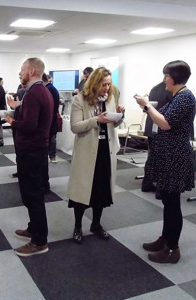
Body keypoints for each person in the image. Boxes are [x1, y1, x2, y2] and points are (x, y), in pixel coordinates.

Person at [134, 60, 196, 264]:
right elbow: (162, 115)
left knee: (172, 204)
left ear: (175, 77)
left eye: (166, 75)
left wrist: (145, 105)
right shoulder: (178, 96)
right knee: (168, 203)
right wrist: (146, 107)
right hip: (169, 156)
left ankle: (172, 248)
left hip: (175, 157)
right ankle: (165, 239)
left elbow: (165, 123)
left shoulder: (185, 97)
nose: (164, 79)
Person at [67, 67, 124, 245]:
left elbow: (113, 125)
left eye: (109, 84)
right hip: (86, 151)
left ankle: (96, 224)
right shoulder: (80, 99)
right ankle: (77, 227)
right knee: (82, 192)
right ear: (94, 83)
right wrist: (96, 120)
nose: (106, 88)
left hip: (105, 150)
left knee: (101, 190)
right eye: (103, 84)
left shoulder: (110, 98)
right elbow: (75, 127)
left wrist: (120, 116)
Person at [4, 58, 53, 257]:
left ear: (31, 71)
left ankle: (39, 240)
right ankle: (34, 228)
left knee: (32, 195)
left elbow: (29, 125)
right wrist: (19, 107)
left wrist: (12, 121)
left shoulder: (33, 93)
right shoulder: (42, 91)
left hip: (31, 151)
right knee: (33, 193)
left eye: (22, 69)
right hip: (37, 150)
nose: (19, 73)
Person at [141, 79, 173, 194]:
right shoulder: (170, 90)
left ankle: (147, 183)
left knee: (151, 157)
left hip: (151, 127)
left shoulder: (154, 88)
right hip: (160, 127)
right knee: (162, 159)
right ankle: (160, 187)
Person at [42, 73, 60, 164]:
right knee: (51, 137)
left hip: (50, 118)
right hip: (52, 117)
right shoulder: (51, 88)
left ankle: (52, 156)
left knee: (51, 138)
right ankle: (51, 155)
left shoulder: (48, 89)